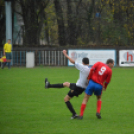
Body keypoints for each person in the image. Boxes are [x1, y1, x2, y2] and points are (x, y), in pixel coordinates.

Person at [45, 50, 90, 119]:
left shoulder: (83, 67)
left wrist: (66, 55)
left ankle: (74, 114)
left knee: (66, 99)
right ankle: (49, 85)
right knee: (66, 84)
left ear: (83, 62)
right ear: (88, 63)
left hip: (77, 87)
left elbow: (73, 62)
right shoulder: (89, 69)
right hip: (81, 88)